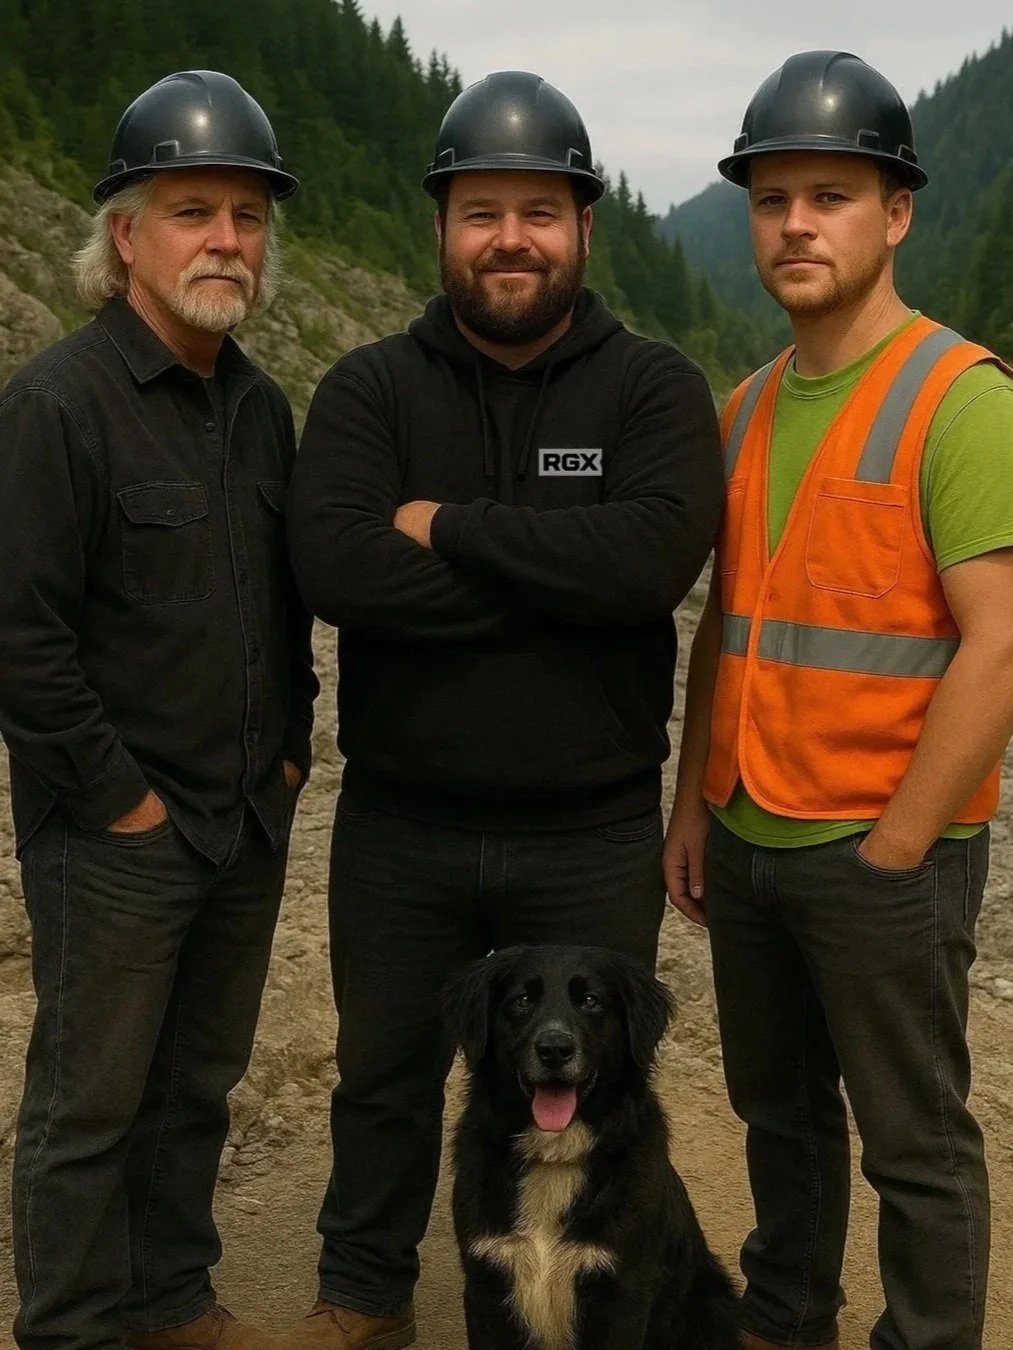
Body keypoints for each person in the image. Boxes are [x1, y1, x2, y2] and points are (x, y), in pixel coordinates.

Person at [286, 69, 724, 1350]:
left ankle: (604, 1297)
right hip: (398, 826)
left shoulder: (650, 388)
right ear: (440, 229)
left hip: (585, 830)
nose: (510, 238)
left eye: (539, 210)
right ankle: (362, 1298)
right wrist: (555, 572)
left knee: (606, 1080)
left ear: (584, 226)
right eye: (481, 212)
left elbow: (647, 565)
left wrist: (451, 533)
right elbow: (336, 568)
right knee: (379, 1080)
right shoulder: (370, 390)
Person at [665, 49, 1013, 1350]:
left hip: (883, 846)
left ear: (897, 211)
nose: (797, 222)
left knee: (915, 1142)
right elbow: (726, 633)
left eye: (831, 194)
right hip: (748, 833)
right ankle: (785, 1314)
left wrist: (897, 851)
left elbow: (1000, 645)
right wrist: (692, 803)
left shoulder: (960, 398)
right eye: (772, 199)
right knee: (781, 1114)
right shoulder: (744, 409)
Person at [0, 70, 317, 1350]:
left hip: (243, 822)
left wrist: (291, 754)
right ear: (125, 233)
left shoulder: (259, 407)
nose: (226, 243)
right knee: (89, 1105)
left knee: (197, 1087)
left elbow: (284, 609)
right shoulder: (56, 406)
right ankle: (73, 1327)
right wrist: (121, 801)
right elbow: (21, 640)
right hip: (119, 838)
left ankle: (172, 1297)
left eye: (246, 218)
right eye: (193, 211)